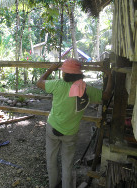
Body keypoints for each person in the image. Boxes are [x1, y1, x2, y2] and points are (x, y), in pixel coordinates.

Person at [36, 58, 112, 188]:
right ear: (78, 74)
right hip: (70, 133)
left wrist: (50, 69)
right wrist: (110, 76)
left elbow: (39, 83)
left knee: (51, 160)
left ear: (64, 74)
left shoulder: (57, 84)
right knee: (67, 164)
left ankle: (53, 184)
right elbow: (106, 96)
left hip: (52, 128)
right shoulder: (85, 89)